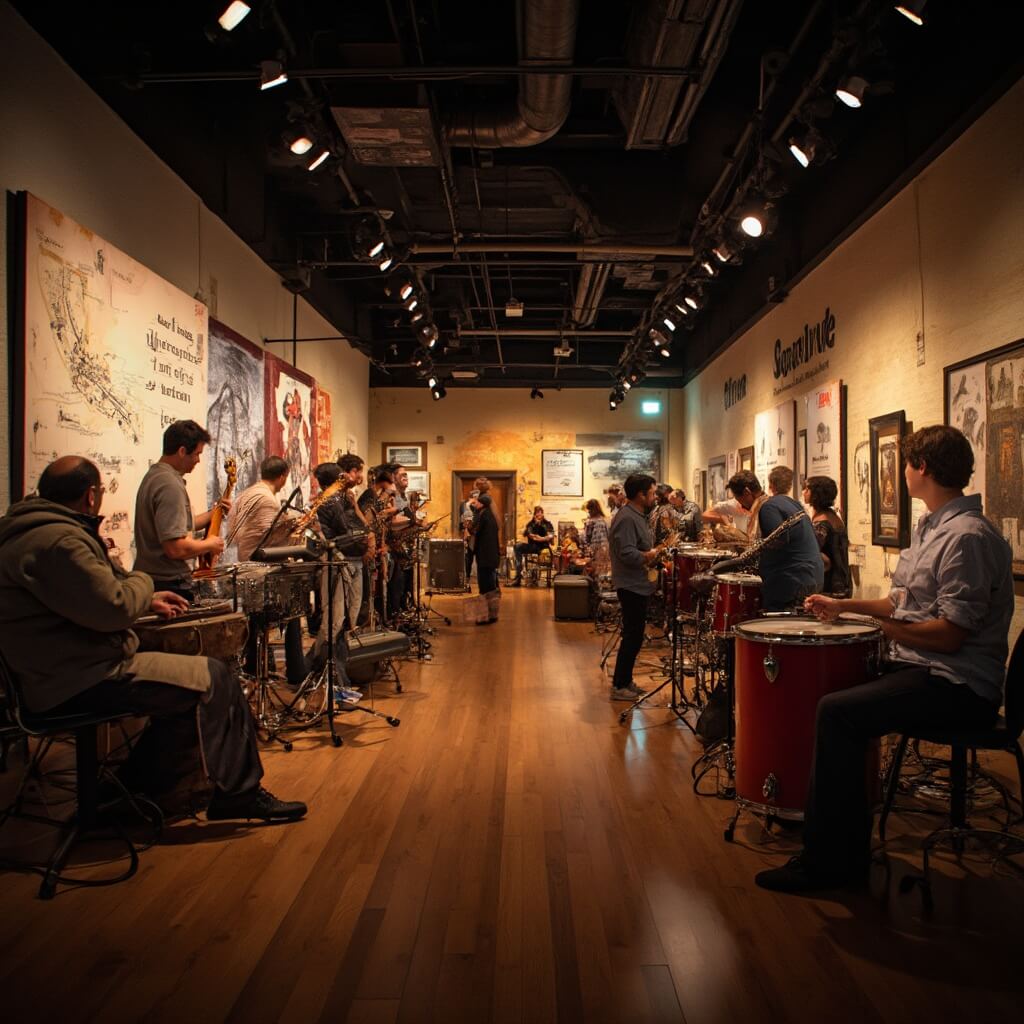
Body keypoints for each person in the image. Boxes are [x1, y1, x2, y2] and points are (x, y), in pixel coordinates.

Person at [756, 426, 1014, 893]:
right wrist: (843, 607)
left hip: (956, 686)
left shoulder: (967, 537)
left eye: (906, 465)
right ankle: (839, 836)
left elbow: (950, 636)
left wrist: (877, 628)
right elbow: (900, 603)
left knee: (837, 712)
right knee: (832, 693)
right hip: (927, 668)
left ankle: (830, 864)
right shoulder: (933, 525)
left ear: (921, 468)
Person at [0, 456, 306, 822]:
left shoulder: (27, 532)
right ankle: (238, 793)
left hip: (57, 673)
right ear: (91, 496)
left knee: (194, 687)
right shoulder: (59, 540)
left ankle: (130, 790)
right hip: (81, 677)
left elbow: (84, 600)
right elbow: (115, 606)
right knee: (216, 679)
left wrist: (144, 599)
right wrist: (144, 581)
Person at [225, 455, 307, 685]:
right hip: (262, 570)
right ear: (283, 476)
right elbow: (269, 537)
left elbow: (239, 533)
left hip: (247, 565)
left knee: (255, 621)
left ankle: (256, 667)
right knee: (292, 614)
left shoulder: (246, 494)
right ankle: (295, 671)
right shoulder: (266, 499)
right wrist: (294, 526)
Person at [134, 420, 231, 601]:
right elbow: (175, 548)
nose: (198, 460)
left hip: (155, 580)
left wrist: (214, 513)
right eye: (197, 454)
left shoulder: (155, 476)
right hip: (169, 583)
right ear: (181, 451)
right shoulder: (169, 485)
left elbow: (179, 526)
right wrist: (210, 544)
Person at [714, 468, 822, 611]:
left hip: (791, 583)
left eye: (739, 499)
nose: (741, 505)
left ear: (747, 492)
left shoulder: (767, 508)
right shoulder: (788, 502)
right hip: (813, 576)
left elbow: (775, 543)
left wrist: (724, 566)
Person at [607, 474, 674, 701]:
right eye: (652, 493)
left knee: (635, 636)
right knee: (632, 636)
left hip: (638, 583)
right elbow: (627, 553)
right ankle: (619, 686)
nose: (655, 497)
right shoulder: (627, 518)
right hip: (631, 585)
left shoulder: (636, 515)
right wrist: (650, 555)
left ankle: (625, 681)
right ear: (640, 495)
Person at [804, 475, 852, 597]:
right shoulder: (833, 516)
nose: (804, 492)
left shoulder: (821, 521)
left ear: (816, 494)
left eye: (807, 489)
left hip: (829, 584)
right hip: (842, 581)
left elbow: (812, 552)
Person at [472, 493, 502, 625]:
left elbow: (475, 531)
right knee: (491, 585)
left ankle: (484, 616)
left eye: (477, 502)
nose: (475, 504)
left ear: (482, 504)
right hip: (491, 556)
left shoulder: (484, 515)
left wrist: (469, 525)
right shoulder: (491, 515)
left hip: (485, 556)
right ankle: (492, 615)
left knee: (485, 586)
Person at [510, 506, 555, 586]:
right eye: (537, 513)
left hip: (543, 547)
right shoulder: (531, 524)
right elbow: (530, 535)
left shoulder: (547, 524)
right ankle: (518, 576)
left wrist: (542, 538)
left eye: (540, 513)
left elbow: (551, 536)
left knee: (544, 548)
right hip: (533, 546)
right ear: (534, 515)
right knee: (517, 546)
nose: (539, 515)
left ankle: (520, 577)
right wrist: (536, 528)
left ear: (543, 514)